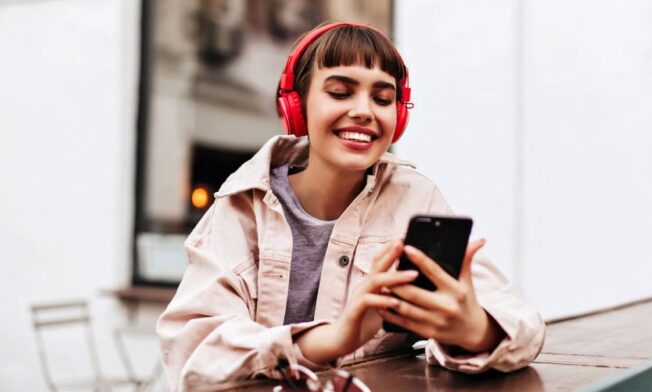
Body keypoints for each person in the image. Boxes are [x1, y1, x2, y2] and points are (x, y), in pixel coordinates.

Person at [157, 21, 545, 391]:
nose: (364, 110)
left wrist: (473, 329)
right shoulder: (243, 206)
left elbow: (523, 326)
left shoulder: (415, 200)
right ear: (297, 106)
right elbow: (192, 355)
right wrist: (328, 340)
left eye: (382, 98)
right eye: (340, 92)